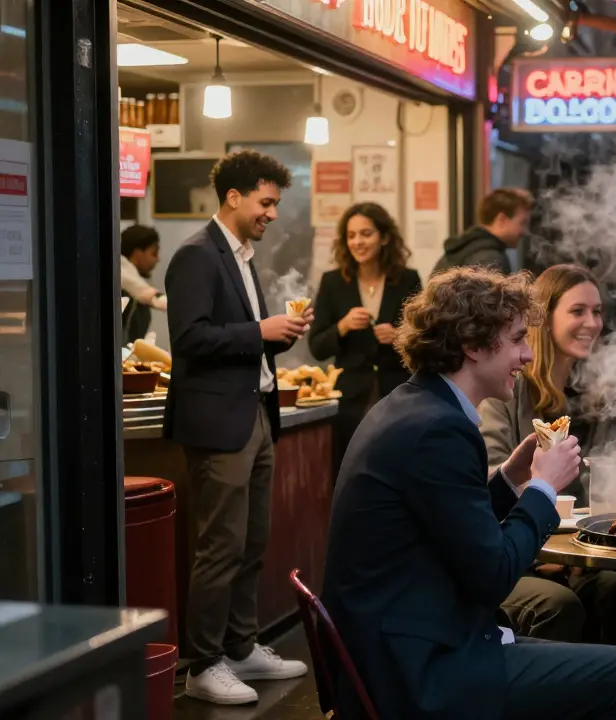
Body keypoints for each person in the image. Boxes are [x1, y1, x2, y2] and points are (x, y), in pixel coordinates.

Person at [322, 266, 616, 720]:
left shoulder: (413, 405)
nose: (527, 355)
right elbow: (493, 574)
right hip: (421, 671)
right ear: (473, 344)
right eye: (518, 338)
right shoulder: (440, 428)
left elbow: (452, 525)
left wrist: (508, 478)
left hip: (406, 643)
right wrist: (542, 486)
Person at [164, 150, 312, 704]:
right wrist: (260, 330)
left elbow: (241, 336)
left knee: (252, 542)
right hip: (217, 423)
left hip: (254, 413)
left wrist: (280, 333)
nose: (272, 213)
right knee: (219, 547)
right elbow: (190, 339)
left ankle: (241, 647)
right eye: (266, 202)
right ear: (234, 196)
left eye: (275, 203)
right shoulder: (197, 255)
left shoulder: (243, 255)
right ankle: (203, 664)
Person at [479, 264, 616, 647]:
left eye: (598, 311)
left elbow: (615, 476)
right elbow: (489, 479)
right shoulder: (507, 387)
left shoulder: (600, 391)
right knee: (561, 603)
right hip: (517, 550)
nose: (592, 322)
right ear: (544, 318)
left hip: (582, 550)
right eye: (578, 311)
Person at [308, 202, 423, 477]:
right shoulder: (333, 282)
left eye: (366, 233)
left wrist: (399, 336)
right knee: (350, 472)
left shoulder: (407, 279)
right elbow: (317, 346)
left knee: (397, 470)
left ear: (384, 238)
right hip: (349, 399)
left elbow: (424, 341)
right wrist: (343, 326)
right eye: (351, 235)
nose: (358, 242)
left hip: (397, 393)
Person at [433, 187, 534, 274]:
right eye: (522, 223)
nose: (525, 231)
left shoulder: (462, 249)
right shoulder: (490, 260)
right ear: (501, 220)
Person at [120, 224, 166, 344]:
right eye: (153, 253)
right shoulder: (122, 272)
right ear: (138, 254)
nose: (157, 259)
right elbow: (146, 293)